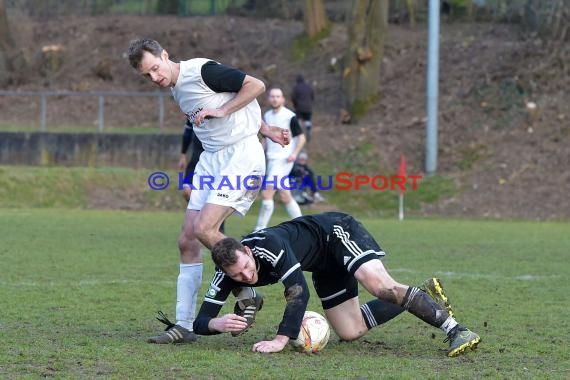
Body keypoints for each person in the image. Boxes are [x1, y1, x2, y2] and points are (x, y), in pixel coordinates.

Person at [127, 38, 289, 344]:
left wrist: (224, 111)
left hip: (241, 156)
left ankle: (248, 286)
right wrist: (264, 127)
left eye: (156, 69)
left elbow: (255, 85)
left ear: (166, 55)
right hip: (212, 160)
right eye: (147, 76)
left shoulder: (201, 71)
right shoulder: (176, 89)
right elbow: (229, 109)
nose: (155, 78)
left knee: (205, 228)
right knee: (188, 239)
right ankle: (185, 324)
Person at [193, 212, 481, 357]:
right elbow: (200, 321)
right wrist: (216, 325)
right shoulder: (226, 272)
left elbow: (298, 291)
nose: (247, 276)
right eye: (238, 276)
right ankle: (423, 294)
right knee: (350, 330)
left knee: (379, 286)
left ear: (248, 251)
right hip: (323, 264)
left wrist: (280, 339)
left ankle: (458, 331)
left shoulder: (268, 245)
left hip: (335, 234)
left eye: (246, 266)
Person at [254, 88, 306, 231]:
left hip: (284, 160)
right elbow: (266, 138)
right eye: (272, 96)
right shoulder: (267, 115)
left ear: (283, 99)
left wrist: (294, 153)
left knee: (267, 192)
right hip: (272, 160)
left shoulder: (290, 116)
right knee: (285, 195)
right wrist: (259, 152)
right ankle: (304, 225)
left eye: (278, 96)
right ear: (269, 99)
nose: (275, 99)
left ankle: (259, 229)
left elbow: (301, 138)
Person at [179, 120, 224, 233]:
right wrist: (183, 154)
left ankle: (216, 226)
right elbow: (187, 133)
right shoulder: (194, 111)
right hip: (195, 160)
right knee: (187, 191)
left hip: (213, 163)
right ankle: (200, 220)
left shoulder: (218, 113)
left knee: (213, 196)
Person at [291, 75, 314, 143]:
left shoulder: (296, 88)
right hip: (308, 107)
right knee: (307, 120)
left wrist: (295, 105)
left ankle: (300, 134)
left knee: (298, 120)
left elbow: (293, 98)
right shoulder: (309, 87)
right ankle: (308, 129)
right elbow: (312, 96)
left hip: (299, 107)